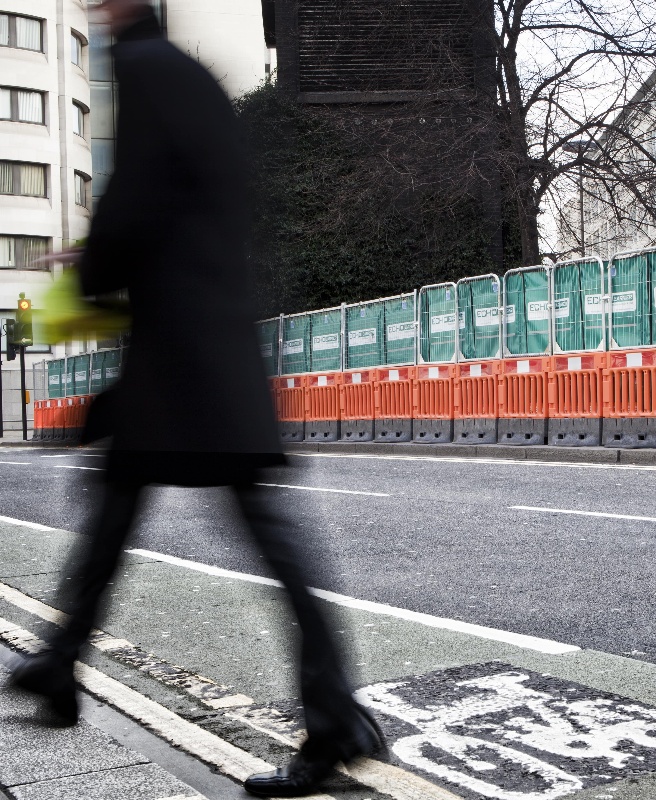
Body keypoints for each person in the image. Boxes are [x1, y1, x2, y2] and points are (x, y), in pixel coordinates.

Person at [6, 1, 382, 795]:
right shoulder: (194, 80)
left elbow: (137, 196)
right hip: (205, 340)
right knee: (127, 498)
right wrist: (113, 253)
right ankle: (62, 664)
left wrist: (94, 265)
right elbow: (188, 205)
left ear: (119, 9)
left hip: (182, 352)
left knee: (244, 531)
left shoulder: (142, 69)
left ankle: (335, 717)